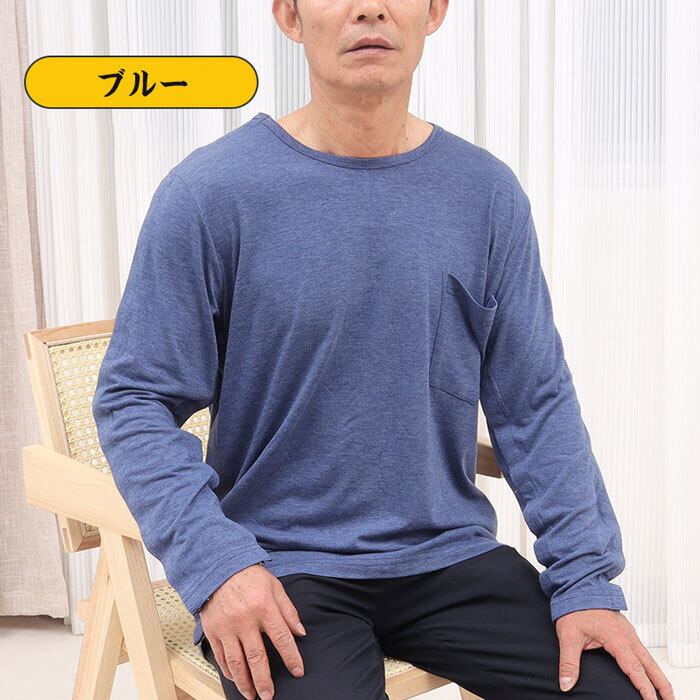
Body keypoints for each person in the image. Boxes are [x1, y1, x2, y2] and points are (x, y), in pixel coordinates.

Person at [92, 1, 674, 698]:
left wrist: (584, 579)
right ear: (289, 15)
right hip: (281, 567)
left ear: (433, 11)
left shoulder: (485, 195)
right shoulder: (210, 193)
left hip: (450, 556)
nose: (369, 8)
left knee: (623, 692)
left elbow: (535, 402)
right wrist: (216, 565)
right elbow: (133, 400)